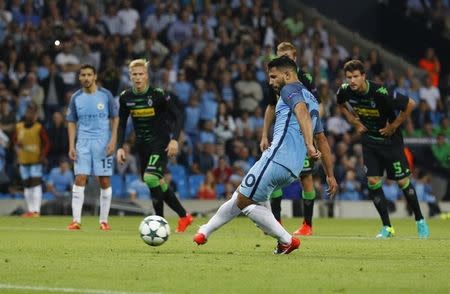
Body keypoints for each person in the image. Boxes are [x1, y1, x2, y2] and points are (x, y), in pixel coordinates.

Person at [194, 56, 321, 254]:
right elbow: (318, 131)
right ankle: (205, 231)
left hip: (278, 157)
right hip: (293, 166)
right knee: (244, 194)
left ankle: (287, 240)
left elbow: (301, 111)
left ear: (287, 75)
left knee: (244, 201)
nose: (270, 82)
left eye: (273, 76)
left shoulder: (290, 89)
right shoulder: (311, 97)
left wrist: (308, 144)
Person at [336, 59, 429, 238]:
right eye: (349, 77)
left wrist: (393, 126)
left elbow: (410, 104)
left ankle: (420, 220)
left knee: (402, 182)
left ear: (363, 76)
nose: (352, 81)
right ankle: (387, 227)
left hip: (390, 142)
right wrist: (354, 121)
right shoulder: (345, 90)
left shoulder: (380, 91)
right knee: (372, 181)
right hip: (370, 142)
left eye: (356, 77)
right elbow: (340, 104)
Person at [261, 42, 338, 235]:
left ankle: (307, 225)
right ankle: (276, 223)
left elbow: (314, 105)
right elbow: (271, 107)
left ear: (294, 59)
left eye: (285, 57)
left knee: (306, 176)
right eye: (278, 56)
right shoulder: (275, 79)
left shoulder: (303, 78)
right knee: (273, 178)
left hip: (302, 136)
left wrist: (310, 133)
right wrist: (264, 134)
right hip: (282, 134)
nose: (280, 60)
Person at [116, 59, 194, 233]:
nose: (137, 78)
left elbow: (178, 116)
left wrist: (174, 139)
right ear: (130, 76)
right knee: (156, 181)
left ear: (147, 76)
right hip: (142, 145)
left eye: (141, 74)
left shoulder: (158, 95)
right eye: (134, 74)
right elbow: (121, 123)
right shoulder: (125, 97)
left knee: (150, 178)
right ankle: (184, 216)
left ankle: (159, 223)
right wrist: (119, 147)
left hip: (160, 143)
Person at [66, 64, 119, 230]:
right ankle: (76, 221)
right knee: (80, 177)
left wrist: (113, 140)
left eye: (89, 75)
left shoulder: (105, 95)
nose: (86, 78)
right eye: (83, 75)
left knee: (104, 180)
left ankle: (104, 221)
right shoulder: (76, 97)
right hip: (83, 142)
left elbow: (115, 119)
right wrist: (71, 145)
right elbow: (71, 122)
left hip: (103, 143)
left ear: (95, 77)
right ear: (79, 77)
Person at [14, 102, 50, 217]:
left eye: (33, 113)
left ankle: (36, 210)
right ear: (25, 113)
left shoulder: (39, 127)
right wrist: (16, 147)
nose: (30, 115)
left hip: (36, 161)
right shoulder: (19, 127)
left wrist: (43, 155)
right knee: (27, 185)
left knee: (35, 184)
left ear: (35, 115)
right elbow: (13, 141)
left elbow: (47, 143)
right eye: (28, 112)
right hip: (23, 160)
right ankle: (30, 210)